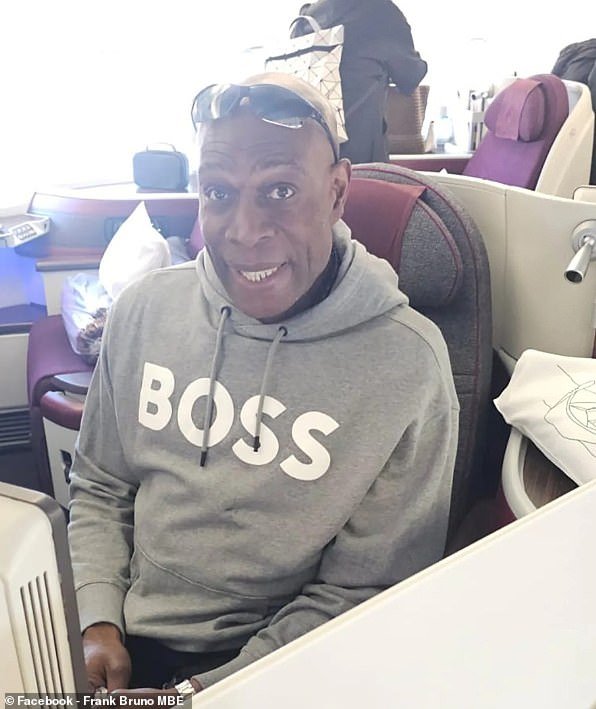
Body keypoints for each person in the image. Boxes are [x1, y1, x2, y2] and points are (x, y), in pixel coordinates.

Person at [68, 71, 459, 697]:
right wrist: (95, 623)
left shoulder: (407, 364)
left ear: (337, 192)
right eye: (219, 193)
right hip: (117, 627)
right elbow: (100, 485)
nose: (245, 231)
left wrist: (209, 691)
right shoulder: (144, 311)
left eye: (280, 190)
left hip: (281, 664)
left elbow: (364, 588)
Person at [291, 0, 427, 163]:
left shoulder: (310, 14)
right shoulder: (381, 11)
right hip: (359, 156)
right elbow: (410, 76)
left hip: (306, 152)